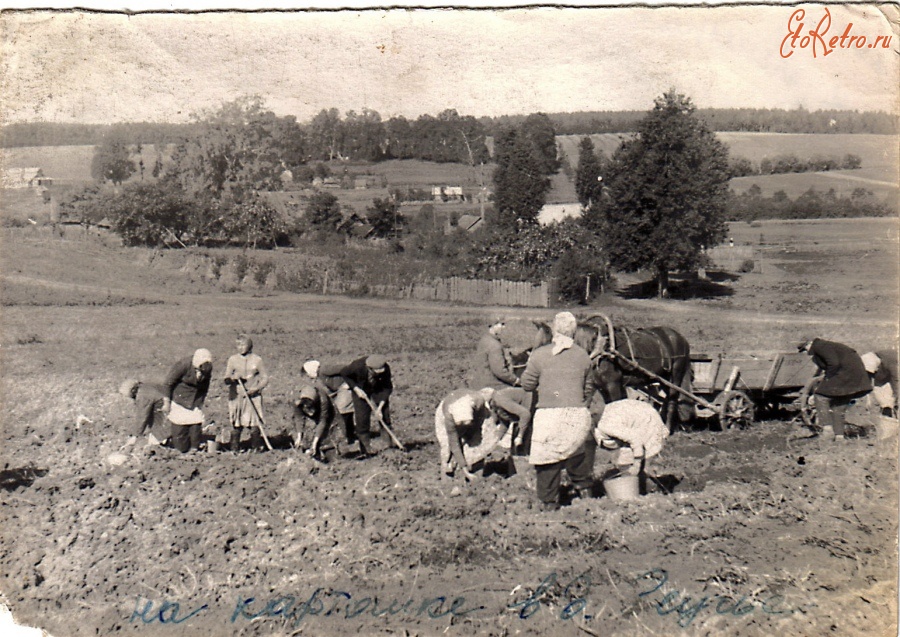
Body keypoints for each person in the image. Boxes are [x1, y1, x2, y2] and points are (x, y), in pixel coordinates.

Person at [520, 311, 596, 511]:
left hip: (550, 414)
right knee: (577, 451)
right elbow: (589, 387)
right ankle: (585, 492)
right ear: (574, 332)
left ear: (555, 330)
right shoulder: (583, 356)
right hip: (577, 414)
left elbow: (527, 385)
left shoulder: (540, 355)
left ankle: (548, 502)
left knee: (547, 458)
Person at [435, 386, 532, 481]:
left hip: (471, 411)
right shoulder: (448, 418)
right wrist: (465, 470)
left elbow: (499, 423)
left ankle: (471, 467)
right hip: (449, 412)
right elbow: (454, 442)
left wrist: (494, 441)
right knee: (447, 445)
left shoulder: (479, 402)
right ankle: (449, 474)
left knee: (476, 441)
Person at [799, 338, 871, 442]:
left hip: (845, 375)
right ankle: (839, 437)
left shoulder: (820, 346)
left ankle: (827, 429)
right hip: (854, 377)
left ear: (810, 343)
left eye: (805, 348)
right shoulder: (828, 346)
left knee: (820, 396)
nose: (807, 352)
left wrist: (828, 377)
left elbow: (834, 363)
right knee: (838, 407)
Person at [593, 399, 669, 479]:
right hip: (635, 416)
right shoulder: (597, 423)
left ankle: (653, 482)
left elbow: (635, 439)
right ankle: (637, 481)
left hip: (645, 419)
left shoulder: (607, 426)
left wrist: (637, 463)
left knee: (641, 463)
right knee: (625, 461)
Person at [339, 355, 393, 458]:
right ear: (369, 368)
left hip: (378, 389)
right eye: (376, 372)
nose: (379, 373)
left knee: (385, 417)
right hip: (360, 389)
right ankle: (365, 450)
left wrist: (380, 408)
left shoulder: (385, 368)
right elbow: (344, 374)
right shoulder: (356, 366)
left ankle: (389, 446)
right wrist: (355, 389)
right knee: (362, 419)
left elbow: (387, 388)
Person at [223, 335, 269, 452]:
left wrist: (256, 389)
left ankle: (256, 448)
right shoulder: (232, 360)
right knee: (236, 424)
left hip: (253, 396)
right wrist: (233, 378)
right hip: (237, 396)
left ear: (249, 345)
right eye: (238, 345)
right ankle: (234, 449)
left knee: (254, 423)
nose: (240, 347)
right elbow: (226, 379)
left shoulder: (257, 360)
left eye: (243, 345)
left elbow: (265, 378)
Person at [163, 348, 213, 453]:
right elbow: (168, 383)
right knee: (180, 435)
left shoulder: (207, 368)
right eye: (199, 371)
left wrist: (201, 401)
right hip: (180, 399)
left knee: (195, 427)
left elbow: (205, 386)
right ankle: (180, 448)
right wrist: (166, 402)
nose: (200, 375)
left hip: (195, 400)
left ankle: (194, 448)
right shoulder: (183, 365)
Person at [469, 317, 520, 390]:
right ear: (494, 325)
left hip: (480, 381)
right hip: (493, 384)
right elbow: (499, 371)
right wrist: (515, 380)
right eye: (502, 324)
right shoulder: (495, 345)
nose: (504, 327)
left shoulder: (485, 339)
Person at [118, 378, 169, 448]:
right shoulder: (143, 387)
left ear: (132, 391)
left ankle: (160, 442)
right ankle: (156, 441)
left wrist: (135, 436)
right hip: (165, 399)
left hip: (162, 404)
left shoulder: (143, 396)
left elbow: (142, 416)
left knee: (156, 422)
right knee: (153, 421)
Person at [862, 350, 898, 417]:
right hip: (884, 380)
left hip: (892, 377)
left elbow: (896, 380)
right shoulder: (869, 359)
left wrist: (897, 396)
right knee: (885, 402)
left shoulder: (891, 362)